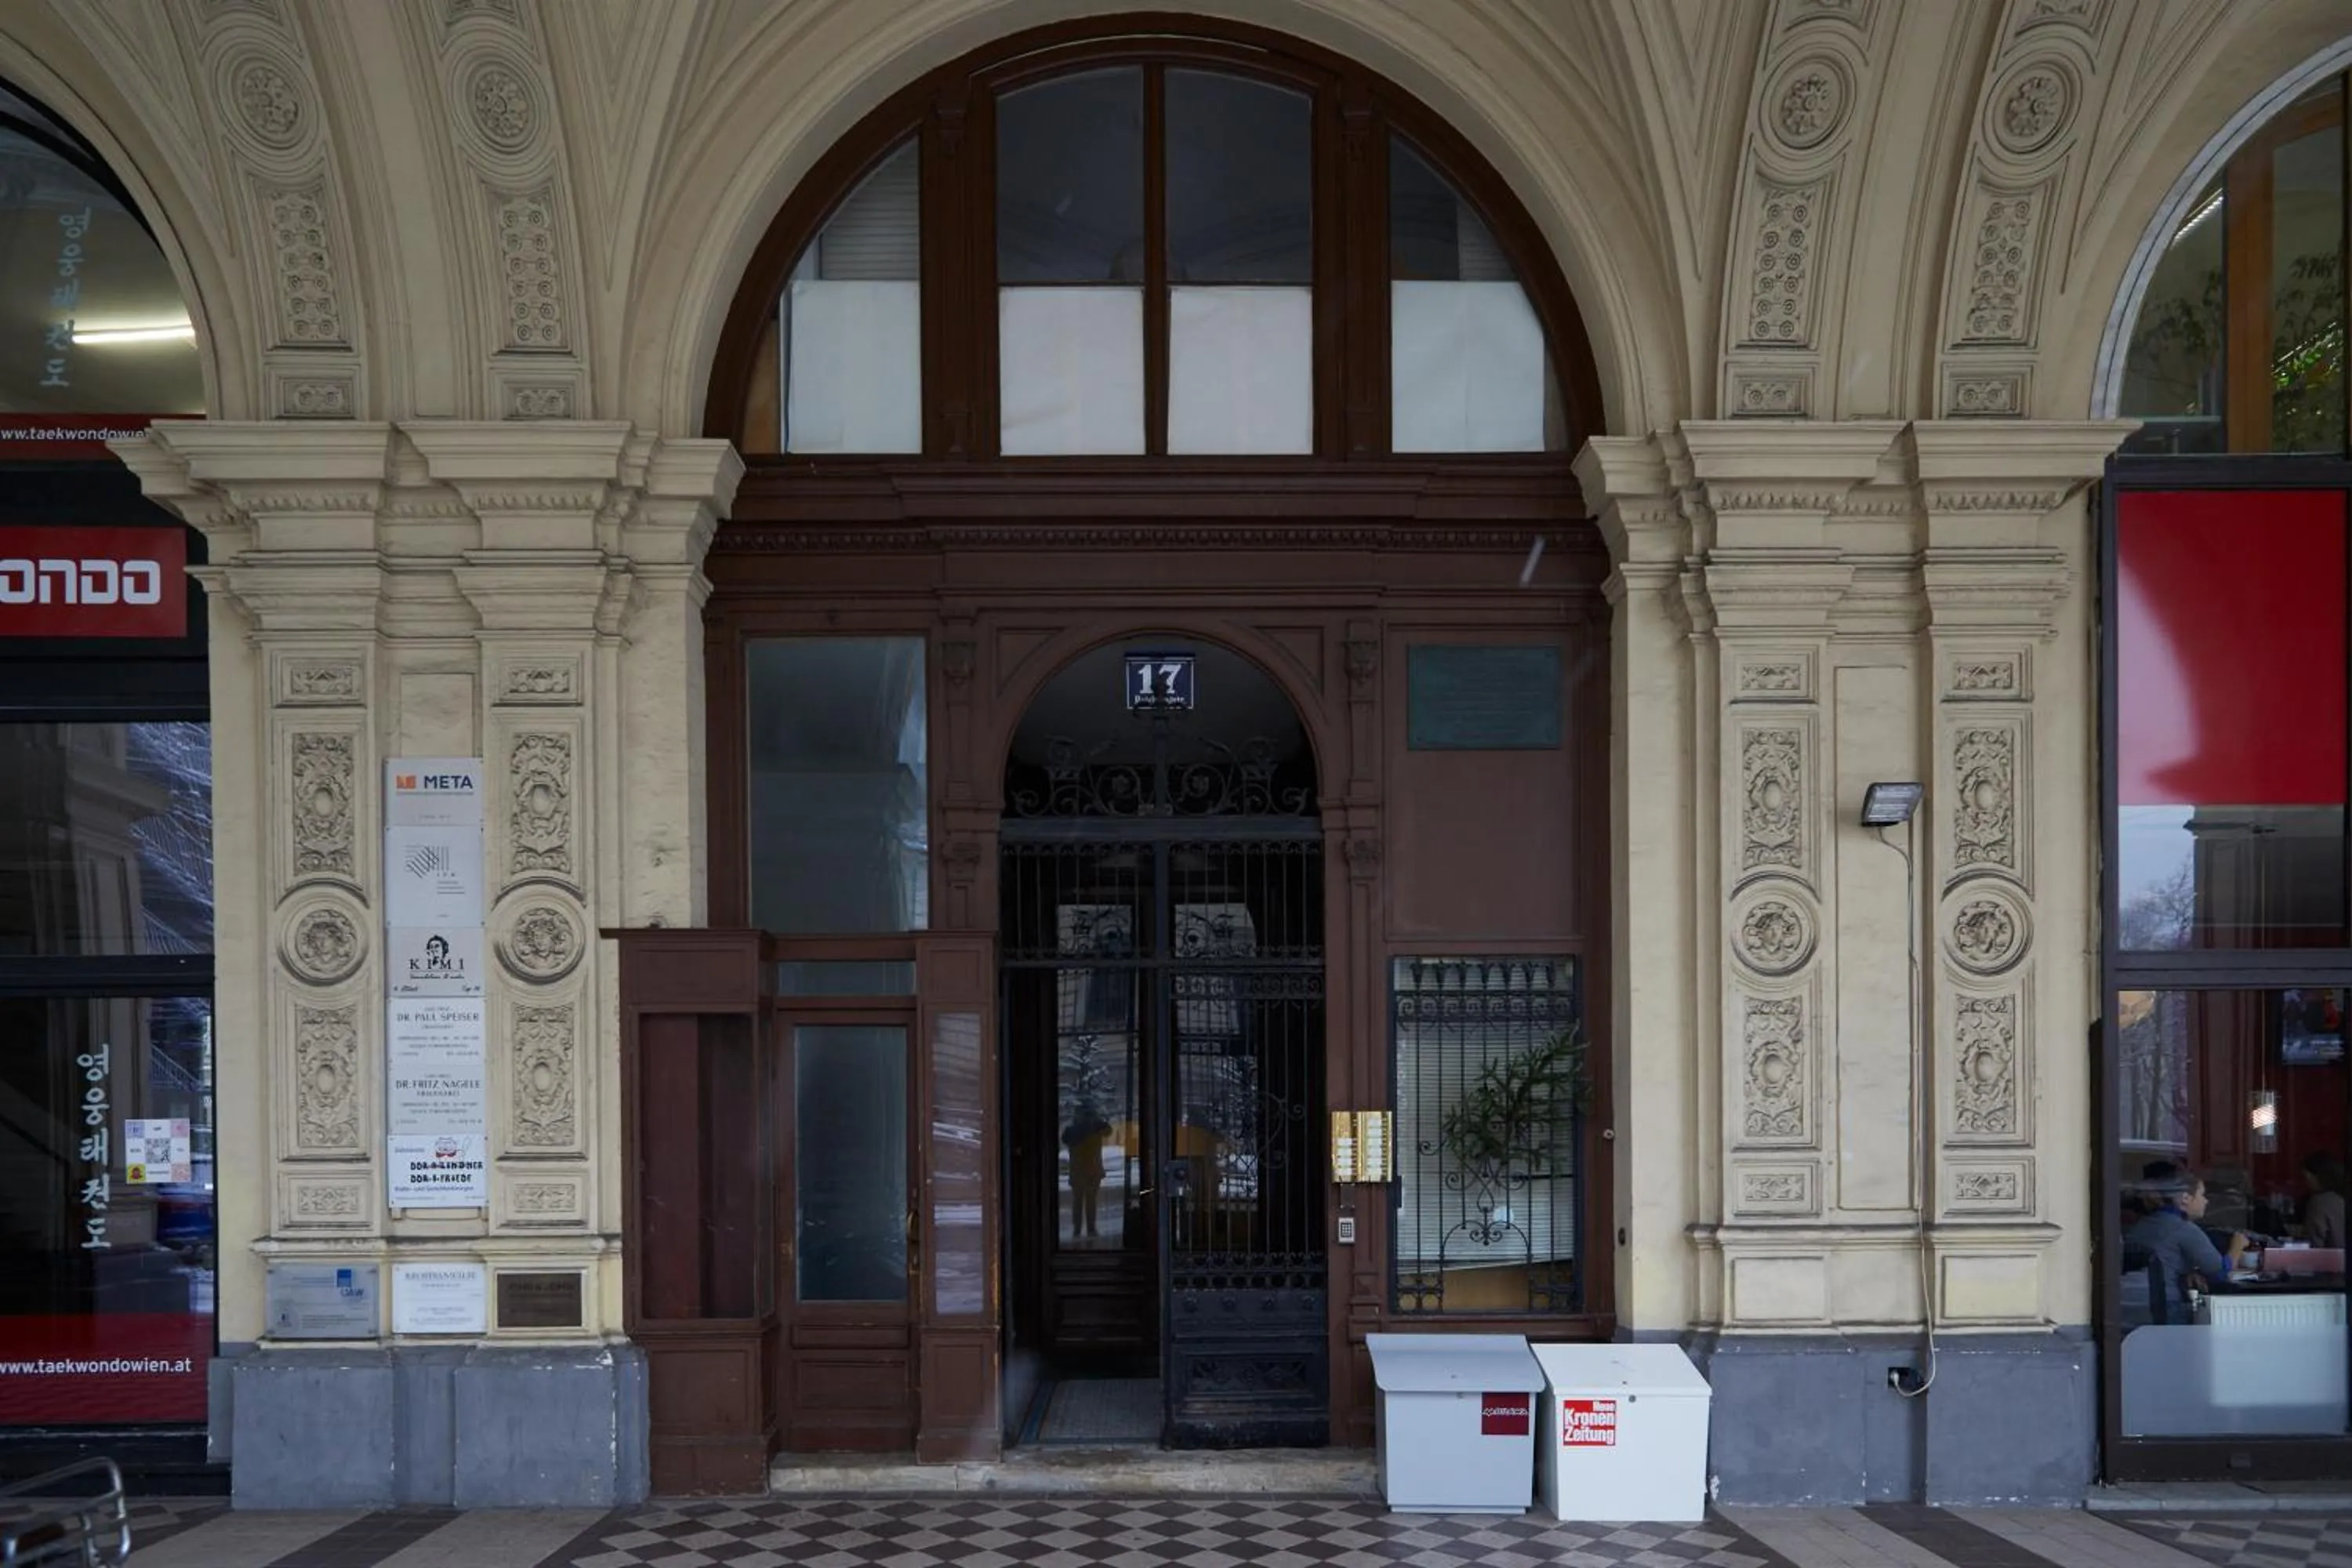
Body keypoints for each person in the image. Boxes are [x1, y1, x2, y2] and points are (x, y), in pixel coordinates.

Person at [2126, 1170, 2248, 1315]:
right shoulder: (2183, 1228)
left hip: (2127, 1302)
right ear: (2185, 1198)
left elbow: (2165, 1259)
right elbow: (2220, 1273)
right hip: (2161, 1305)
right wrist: (2237, 1245)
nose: (2206, 1201)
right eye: (2202, 1195)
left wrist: (2188, 1272)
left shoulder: (2143, 1224)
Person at [1062, 1103, 1110, 1241]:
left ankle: (1077, 1230)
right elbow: (1108, 1130)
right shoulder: (1095, 1128)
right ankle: (1091, 1229)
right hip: (1093, 1171)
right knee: (1091, 1202)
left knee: (1077, 1202)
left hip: (1077, 1172)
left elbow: (1065, 1139)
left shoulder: (1071, 1130)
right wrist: (1096, 1120)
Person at [2302, 1151, 2348, 1250]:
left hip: (2332, 1262)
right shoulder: (2342, 1197)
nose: (2306, 1182)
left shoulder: (2320, 1202)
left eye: (2306, 1177)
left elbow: (2316, 1244)